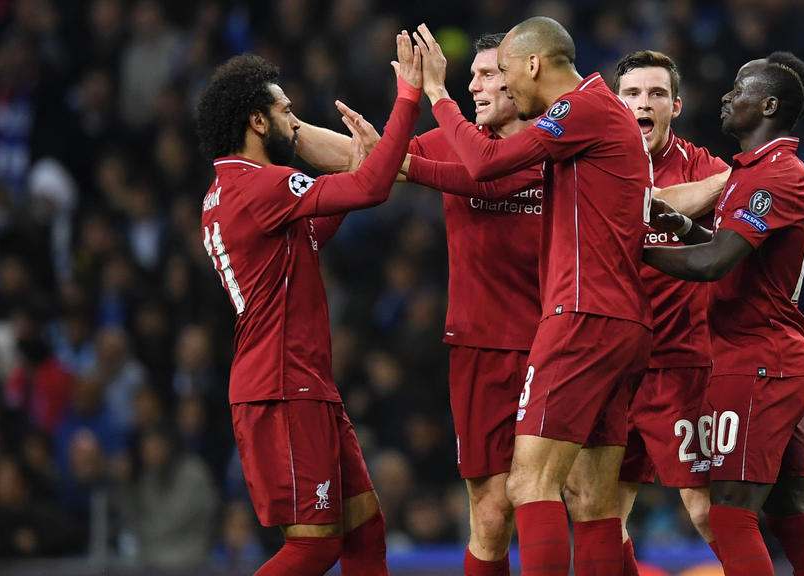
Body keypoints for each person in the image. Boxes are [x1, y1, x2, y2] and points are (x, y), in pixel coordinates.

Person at [413, 18, 653, 576]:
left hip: (581, 316)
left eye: (501, 73)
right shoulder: (597, 121)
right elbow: (485, 174)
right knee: (594, 501)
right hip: (624, 322)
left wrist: (435, 94)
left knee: (528, 484)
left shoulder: (580, 107)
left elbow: (486, 164)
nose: (499, 86)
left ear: (531, 65)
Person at [195, 32, 422, 576]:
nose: (294, 125)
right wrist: (409, 97)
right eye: (286, 112)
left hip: (298, 383)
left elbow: (315, 231)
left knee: (365, 531)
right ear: (257, 121)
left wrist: (353, 169)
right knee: (314, 547)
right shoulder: (261, 186)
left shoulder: (229, 192)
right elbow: (373, 189)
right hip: (282, 386)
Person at [643, 52, 804, 576]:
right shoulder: (751, 171)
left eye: (739, 88)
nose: (728, 97)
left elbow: (714, 265)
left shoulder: (774, 173)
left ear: (769, 104)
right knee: (792, 514)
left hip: (757, 362)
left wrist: (630, 247)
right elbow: (726, 250)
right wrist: (685, 230)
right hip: (771, 360)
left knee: (730, 515)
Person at [400, 32, 543, 576]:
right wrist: (287, 131)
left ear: (519, 78)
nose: (474, 85)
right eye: (472, 76)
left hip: (560, 344)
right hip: (480, 348)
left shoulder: (558, 139)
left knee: (570, 497)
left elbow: (485, 175)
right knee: (491, 512)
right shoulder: (452, 139)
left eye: (486, 75)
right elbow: (359, 160)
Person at [610, 50, 729, 571]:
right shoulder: (597, 162)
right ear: (616, 105)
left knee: (705, 511)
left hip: (680, 366)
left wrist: (662, 199)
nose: (644, 102)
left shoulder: (704, 165)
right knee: (601, 511)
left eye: (656, 93)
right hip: (611, 367)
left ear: (675, 105)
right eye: (633, 93)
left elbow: (741, 182)